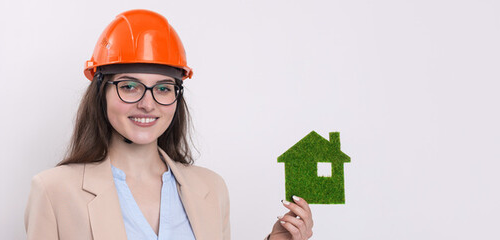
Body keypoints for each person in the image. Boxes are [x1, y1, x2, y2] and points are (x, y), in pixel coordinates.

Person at [24, 9, 314, 240]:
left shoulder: (211, 188)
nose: (147, 104)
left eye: (163, 88)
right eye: (129, 86)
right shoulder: (54, 191)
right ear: (101, 93)